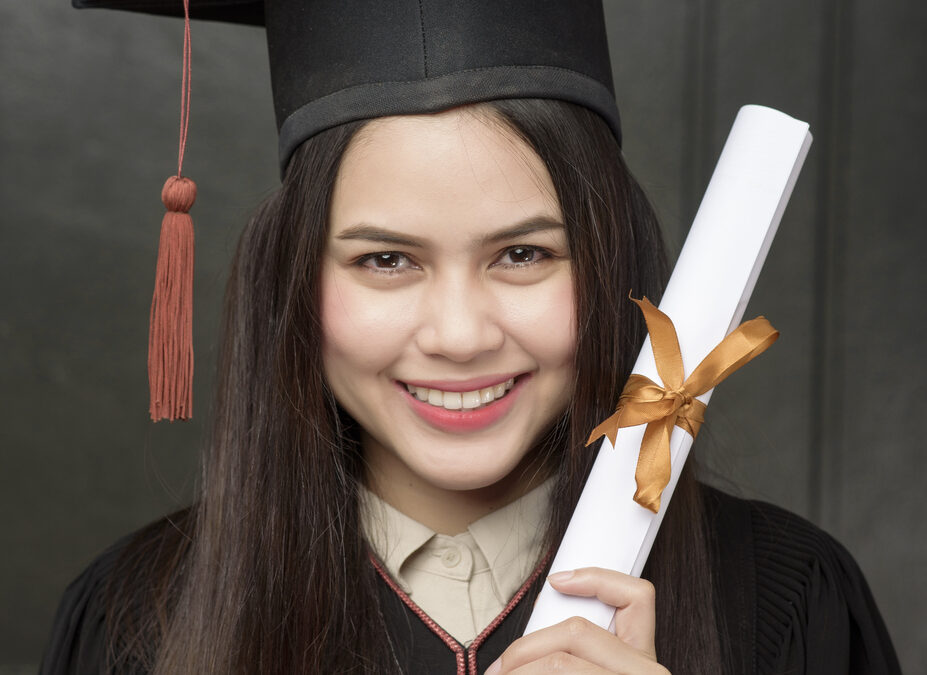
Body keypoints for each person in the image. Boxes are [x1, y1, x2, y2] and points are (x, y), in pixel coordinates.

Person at [41, 1, 901, 673]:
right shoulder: (137, 622)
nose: (458, 335)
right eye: (385, 259)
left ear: (608, 266)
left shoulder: (788, 599)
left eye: (523, 254)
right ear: (295, 285)